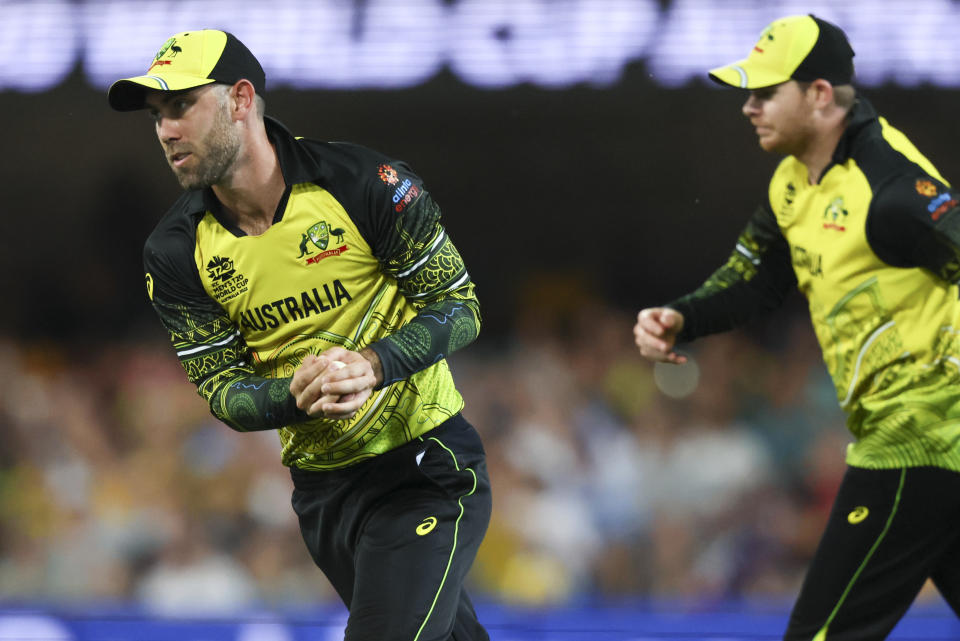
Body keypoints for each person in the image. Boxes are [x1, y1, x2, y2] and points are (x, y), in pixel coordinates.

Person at [108, 29, 491, 641]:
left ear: (239, 99)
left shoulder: (365, 182)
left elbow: (459, 307)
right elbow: (224, 392)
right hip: (324, 496)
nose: (165, 130)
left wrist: (373, 364)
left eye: (180, 106)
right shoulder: (176, 252)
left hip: (426, 468)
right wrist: (294, 395)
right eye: (158, 116)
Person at [634, 14, 960, 641]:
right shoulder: (792, 180)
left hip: (918, 440)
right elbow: (757, 277)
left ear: (818, 95)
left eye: (765, 93)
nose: (749, 108)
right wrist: (685, 316)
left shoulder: (891, 192)